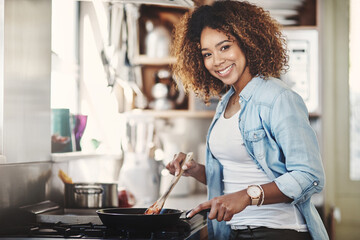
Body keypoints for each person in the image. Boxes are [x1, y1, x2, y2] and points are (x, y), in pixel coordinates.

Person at [167, 1, 329, 240]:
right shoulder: (226, 101)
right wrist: (196, 171)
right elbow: (236, 174)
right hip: (233, 231)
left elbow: (309, 176)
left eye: (225, 47)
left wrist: (247, 195)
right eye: (207, 54)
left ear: (248, 41)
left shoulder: (278, 98)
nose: (217, 61)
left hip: (277, 231)